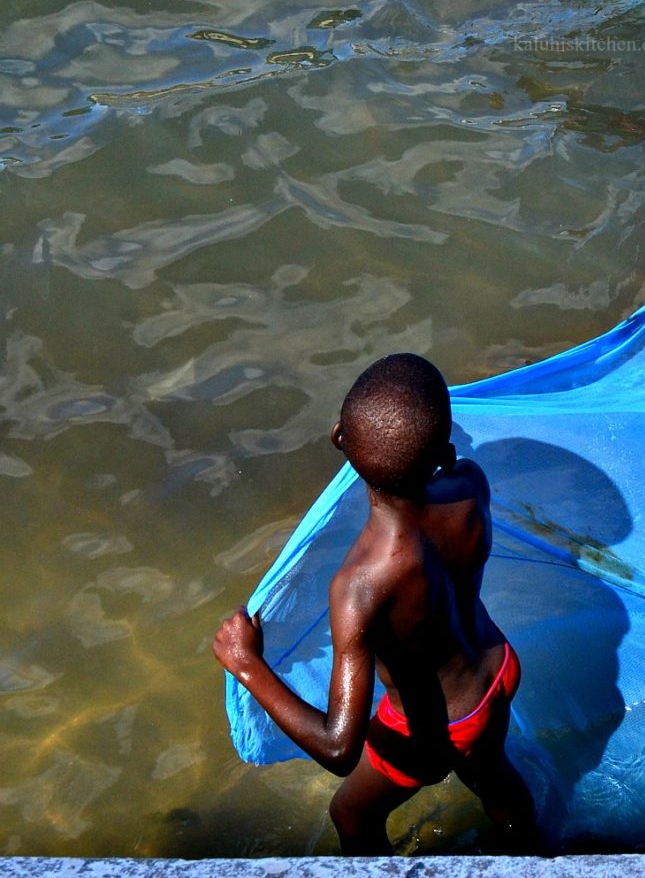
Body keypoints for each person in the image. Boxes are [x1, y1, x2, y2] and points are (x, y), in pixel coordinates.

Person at [212, 354, 540, 855]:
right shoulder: (470, 483)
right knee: (492, 778)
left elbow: (339, 747)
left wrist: (247, 664)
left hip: (433, 728)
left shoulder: (359, 585)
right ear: (445, 448)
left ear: (339, 438)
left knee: (350, 813)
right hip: (496, 671)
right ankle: (533, 854)